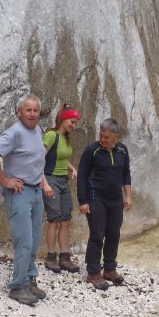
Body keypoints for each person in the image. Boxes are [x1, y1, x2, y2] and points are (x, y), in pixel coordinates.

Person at [0, 93, 51, 306]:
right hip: (19, 192)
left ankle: (30, 279)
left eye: (35, 110)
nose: (32, 114)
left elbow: (35, 160)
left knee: (34, 238)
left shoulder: (38, 130)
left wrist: (41, 181)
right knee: (25, 240)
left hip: (35, 190)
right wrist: (5, 180)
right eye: (28, 110)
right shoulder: (14, 133)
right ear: (19, 112)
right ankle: (17, 286)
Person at [77, 118, 132, 290]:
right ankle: (93, 272)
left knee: (114, 234)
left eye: (107, 137)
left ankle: (109, 269)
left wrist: (128, 196)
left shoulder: (122, 150)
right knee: (97, 235)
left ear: (116, 136)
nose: (103, 139)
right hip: (96, 199)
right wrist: (83, 201)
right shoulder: (91, 151)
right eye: (101, 135)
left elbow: (126, 174)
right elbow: (82, 176)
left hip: (116, 200)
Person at [42, 104, 81, 273]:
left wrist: (71, 168)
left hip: (63, 181)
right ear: (63, 119)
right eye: (72, 122)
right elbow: (38, 159)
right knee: (54, 220)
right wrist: (44, 183)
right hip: (51, 179)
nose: (74, 125)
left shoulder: (66, 138)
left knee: (65, 220)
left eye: (76, 122)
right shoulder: (51, 136)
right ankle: (51, 257)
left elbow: (61, 158)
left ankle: (64, 257)